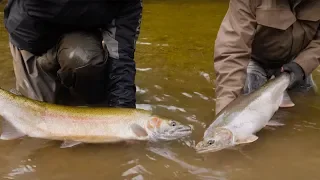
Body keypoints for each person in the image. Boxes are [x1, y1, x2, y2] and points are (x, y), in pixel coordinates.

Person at [3, 0, 142, 108]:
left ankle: (77, 89)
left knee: (85, 60)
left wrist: (122, 108)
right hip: (29, 40)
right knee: (34, 119)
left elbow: (121, 56)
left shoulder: (128, 3)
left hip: (78, 40)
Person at [213, 0, 320, 114]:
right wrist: (225, 113)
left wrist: (302, 65)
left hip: (297, 63)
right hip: (254, 61)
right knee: (254, 114)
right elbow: (232, 50)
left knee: (306, 108)